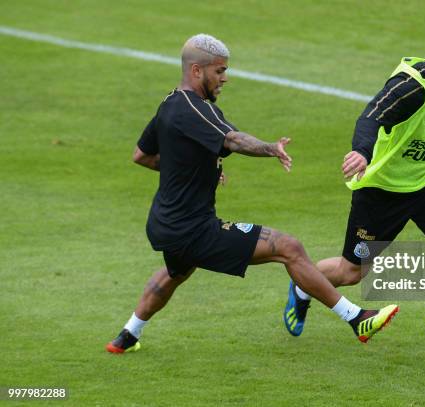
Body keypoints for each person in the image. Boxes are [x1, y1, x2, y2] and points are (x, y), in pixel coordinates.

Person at [106, 34, 399, 353]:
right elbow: (233, 140)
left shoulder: (169, 103)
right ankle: (357, 319)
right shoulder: (194, 108)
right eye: (218, 71)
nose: (224, 78)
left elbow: (142, 155)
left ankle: (127, 336)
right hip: (193, 228)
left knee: (176, 272)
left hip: (165, 223)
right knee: (288, 247)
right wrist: (270, 148)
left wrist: (196, 168)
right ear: (196, 70)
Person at [283, 30, 425, 356]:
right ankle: (304, 287)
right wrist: (362, 151)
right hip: (382, 190)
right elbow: (370, 117)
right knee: (351, 273)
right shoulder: (409, 90)